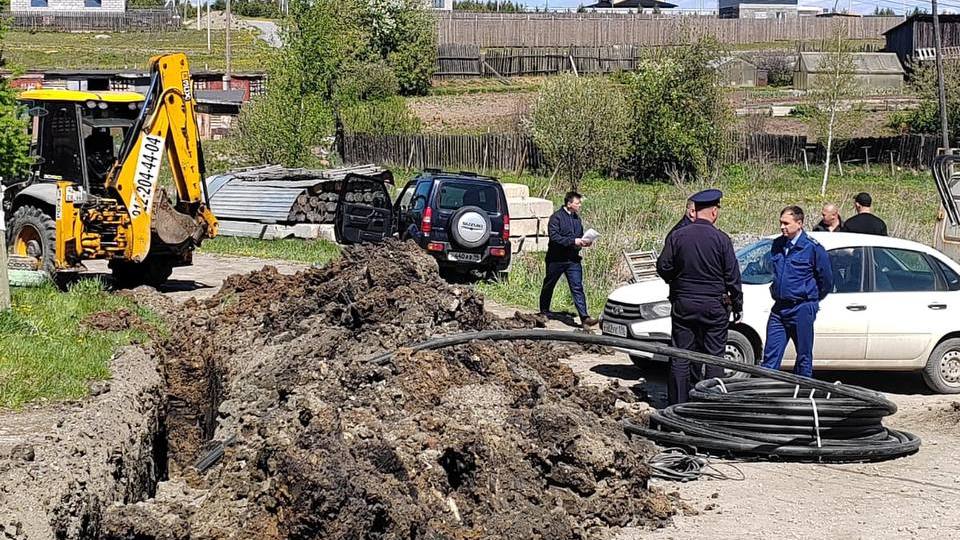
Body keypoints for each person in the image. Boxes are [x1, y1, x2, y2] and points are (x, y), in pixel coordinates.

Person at [656, 189, 743, 405]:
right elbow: (733, 277)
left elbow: (663, 266)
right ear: (714, 212)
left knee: (681, 356)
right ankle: (710, 407)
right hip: (714, 306)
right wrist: (738, 305)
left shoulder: (678, 235)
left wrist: (676, 282)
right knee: (714, 357)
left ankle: (677, 406)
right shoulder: (722, 239)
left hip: (684, 304)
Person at [760, 206, 834, 379]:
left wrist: (811, 298)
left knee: (803, 357)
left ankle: (802, 397)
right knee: (770, 356)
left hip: (802, 307)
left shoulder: (812, 248)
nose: (782, 227)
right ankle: (764, 396)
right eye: (780, 223)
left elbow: (827, 280)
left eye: (786, 223)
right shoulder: (778, 245)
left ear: (799, 224)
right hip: (780, 308)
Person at [540, 191, 598, 330]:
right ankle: (543, 311)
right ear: (569, 203)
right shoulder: (556, 218)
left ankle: (585, 318)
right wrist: (573, 241)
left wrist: (585, 242)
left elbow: (579, 236)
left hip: (573, 259)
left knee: (577, 287)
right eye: (577, 203)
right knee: (549, 284)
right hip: (556, 259)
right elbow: (554, 237)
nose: (580, 205)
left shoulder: (577, 219)